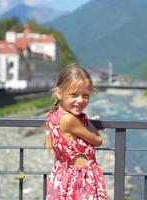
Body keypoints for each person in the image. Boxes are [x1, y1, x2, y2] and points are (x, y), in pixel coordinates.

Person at [45, 63, 107, 200]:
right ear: (59, 93)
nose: (80, 100)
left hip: (63, 178)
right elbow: (98, 140)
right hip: (80, 181)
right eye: (74, 95)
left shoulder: (54, 115)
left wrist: (82, 120)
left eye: (85, 95)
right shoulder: (69, 120)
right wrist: (88, 122)